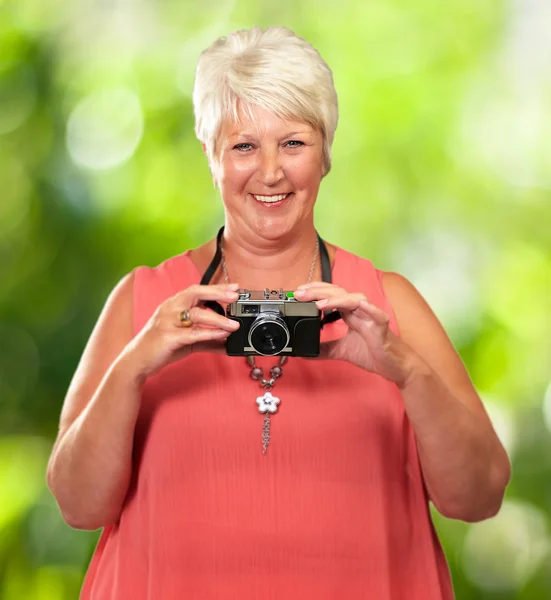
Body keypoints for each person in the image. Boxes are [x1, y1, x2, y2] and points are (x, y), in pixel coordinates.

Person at [46, 25, 511, 600]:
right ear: (210, 154)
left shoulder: (389, 304)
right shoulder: (143, 301)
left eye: (293, 143)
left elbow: (480, 497)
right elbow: (76, 504)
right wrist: (135, 364)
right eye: (243, 145)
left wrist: (406, 369)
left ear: (326, 154)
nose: (270, 172)